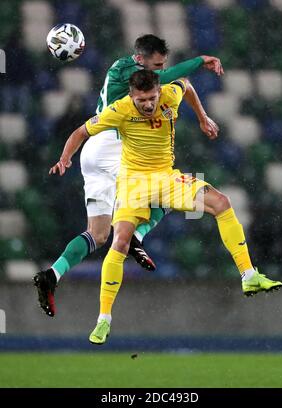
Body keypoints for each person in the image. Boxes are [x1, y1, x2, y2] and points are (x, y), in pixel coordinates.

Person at [50, 70, 282, 345]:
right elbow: (80, 132)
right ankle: (103, 319)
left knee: (221, 202)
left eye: (151, 98)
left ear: (159, 92)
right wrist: (65, 158)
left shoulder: (171, 93)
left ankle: (249, 275)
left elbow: (186, 84)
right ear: (132, 96)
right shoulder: (119, 109)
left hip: (166, 178)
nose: (148, 105)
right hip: (133, 183)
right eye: (141, 100)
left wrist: (203, 117)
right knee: (121, 242)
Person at [34, 34, 223, 317]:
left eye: (162, 65)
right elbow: (177, 78)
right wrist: (200, 60)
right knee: (168, 188)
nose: (159, 72)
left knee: (98, 235)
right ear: (140, 60)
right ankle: (138, 235)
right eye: (156, 66)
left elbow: (184, 85)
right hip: (114, 144)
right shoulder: (133, 76)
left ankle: (52, 274)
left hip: (92, 151)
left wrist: (202, 117)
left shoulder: (128, 71)